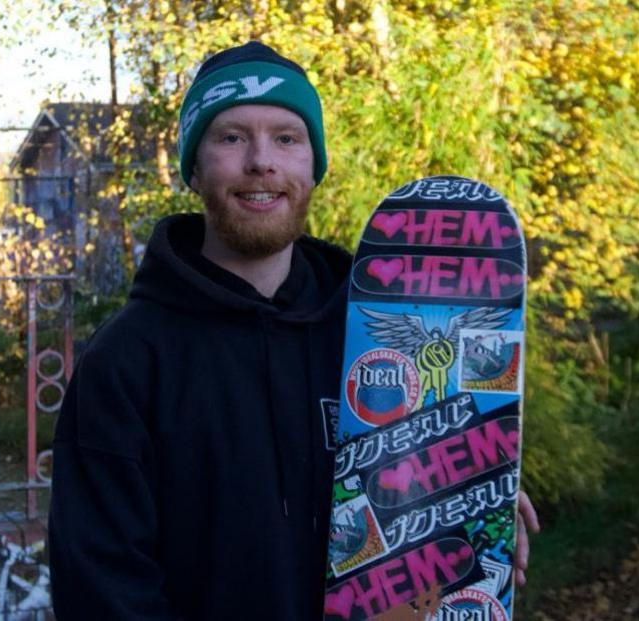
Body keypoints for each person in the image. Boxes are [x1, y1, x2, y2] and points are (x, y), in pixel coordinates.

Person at [48, 41, 539, 620]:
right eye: (231, 137)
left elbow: (413, 493)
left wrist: (475, 498)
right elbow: (101, 584)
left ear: (313, 163)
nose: (262, 161)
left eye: (287, 137)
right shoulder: (128, 361)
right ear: (195, 166)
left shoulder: (376, 334)